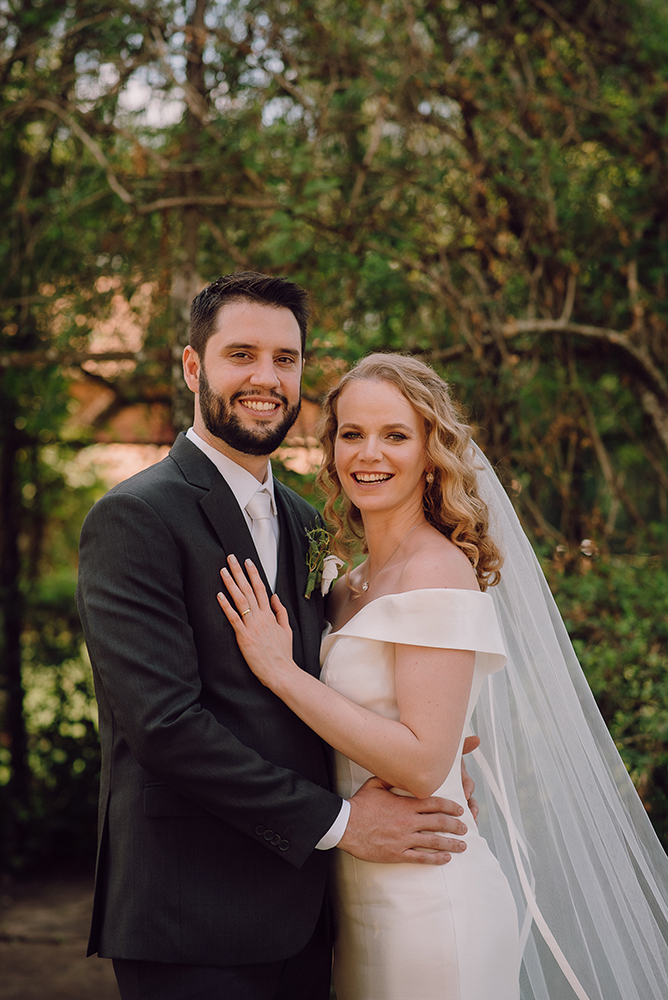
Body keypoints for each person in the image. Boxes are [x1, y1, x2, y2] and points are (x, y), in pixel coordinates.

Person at [219, 353, 668, 1000]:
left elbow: (425, 765)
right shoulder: (346, 585)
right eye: (352, 433)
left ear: (432, 453)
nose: (368, 453)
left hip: (429, 908)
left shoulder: (436, 569)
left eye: (395, 435)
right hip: (355, 892)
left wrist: (281, 671)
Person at [76, 274, 474, 1000]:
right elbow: (165, 726)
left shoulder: (306, 521)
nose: (266, 378)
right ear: (194, 367)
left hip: (314, 918)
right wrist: (344, 821)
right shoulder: (134, 518)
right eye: (242, 355)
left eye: (285, 359)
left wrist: (429, 756)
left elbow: (339, 680)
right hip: (192, 916)